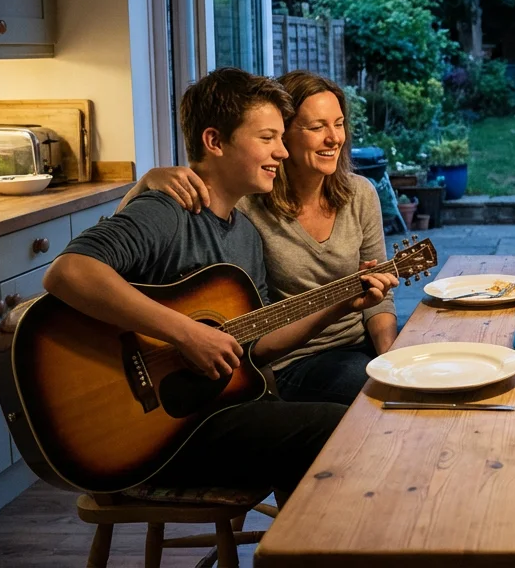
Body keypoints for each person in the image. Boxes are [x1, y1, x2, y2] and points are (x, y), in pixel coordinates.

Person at [42, 68, 395, 495]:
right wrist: (187, 334)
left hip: (213, 406)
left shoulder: (244, 234)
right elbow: (67, 271)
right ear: (214, 142)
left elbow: (257, 344)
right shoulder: (168, 211)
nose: (282, 153)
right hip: (164, 431)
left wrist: (341, 303)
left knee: (330, 423)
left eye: (282, 138)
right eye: (268, 139)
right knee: (339, 426)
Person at [118, 71, 398, 406]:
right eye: (316, 127)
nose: (334, 138)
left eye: (339, 124)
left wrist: (392, 360)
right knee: (370, 399)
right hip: (296, 360)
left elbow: (380, 299)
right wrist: (146, 180)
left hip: (354, 343)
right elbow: (97, 254)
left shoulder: (359, 194)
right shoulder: (245, 205)